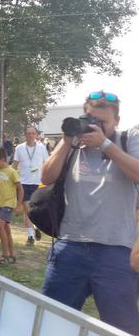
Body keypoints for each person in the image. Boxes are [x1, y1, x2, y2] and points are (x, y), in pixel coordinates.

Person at [40, 91, 139, 334]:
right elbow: (46, 177)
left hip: (115, 249)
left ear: (117, 121)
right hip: (70, 246)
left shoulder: (128, 139)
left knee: (122, 328)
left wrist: (106, 145)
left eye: (102, 122)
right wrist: (66, 139)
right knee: (51, 320)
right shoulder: (74, 145)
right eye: (89, 119)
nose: (93, 126)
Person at [12, 125, 49, 245]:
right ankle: (30, 237)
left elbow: (47, 164)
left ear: (36, 135)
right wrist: (10, 177)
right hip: (24, 183)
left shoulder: (42, 148)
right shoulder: (19, 148)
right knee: (27, 211)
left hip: (38, 183)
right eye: (28, 133)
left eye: (33, 133)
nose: (31, 135)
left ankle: (36, 227)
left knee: (36, 211)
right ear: (25, 135)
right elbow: (15, 165)